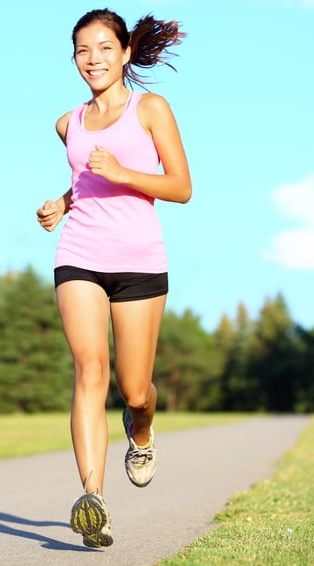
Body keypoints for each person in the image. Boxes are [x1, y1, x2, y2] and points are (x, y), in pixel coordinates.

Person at [36, 8, 191, 549]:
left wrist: (123, 172)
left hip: (140, 262)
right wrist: (61, 202)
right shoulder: (68, 123)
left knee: (134, 387)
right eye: (83, 50)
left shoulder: (150, 108)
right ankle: (93, 499)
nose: (93, 59)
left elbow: (180, 186)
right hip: (79, 254)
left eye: (104, 48)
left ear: (125, 53)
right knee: (89, 368)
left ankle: (142, 428)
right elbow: (85, 182)